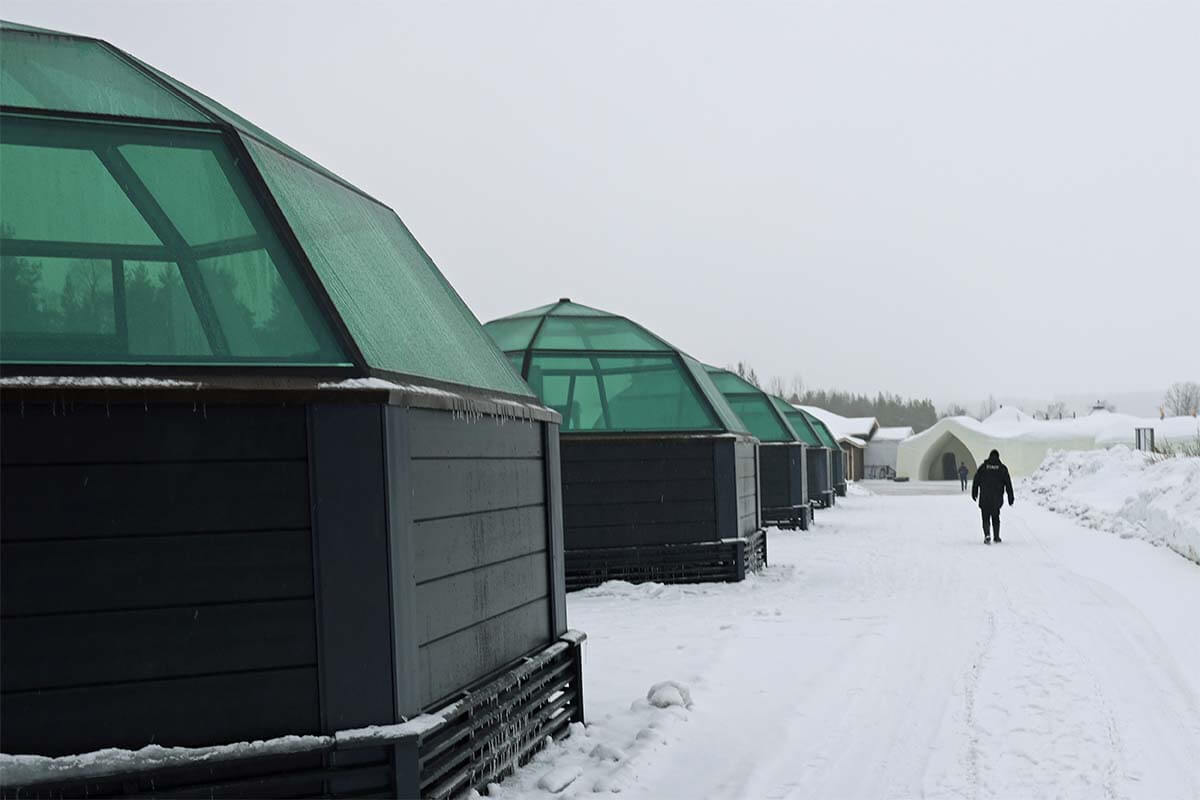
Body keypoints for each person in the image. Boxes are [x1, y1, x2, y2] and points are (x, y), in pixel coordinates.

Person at [971, 449, 1014, 544]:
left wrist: (974, 493)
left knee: (985, 517)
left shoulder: (983, 467)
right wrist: (1010, 498)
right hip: (996, 499)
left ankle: (987, 534)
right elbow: (1008, 484)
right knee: (995, 517)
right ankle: (996, 536)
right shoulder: (1002, 469)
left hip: (984, 498)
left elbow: (976, 480)